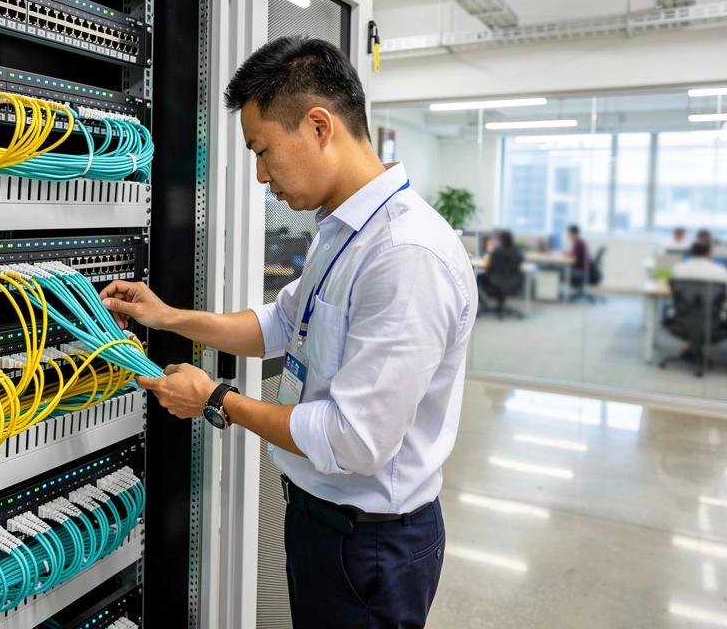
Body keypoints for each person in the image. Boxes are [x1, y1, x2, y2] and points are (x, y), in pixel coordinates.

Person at [100, 36, 476, 628]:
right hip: (323, 522)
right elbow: (282, 323)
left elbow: (354, 440)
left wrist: (216, 399)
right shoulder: (344, 229)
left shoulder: (405, 255)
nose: (259, 175)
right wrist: (167, 316)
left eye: (263, 150)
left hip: (371, 545)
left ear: (319, 126)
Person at [670, 241, 727, 365]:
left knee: (694, 310)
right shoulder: (720, 271)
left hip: (682, 324)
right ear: (708, 254)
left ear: (691, 253)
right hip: (712, 326)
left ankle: (690, 346)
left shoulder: (677, 269)